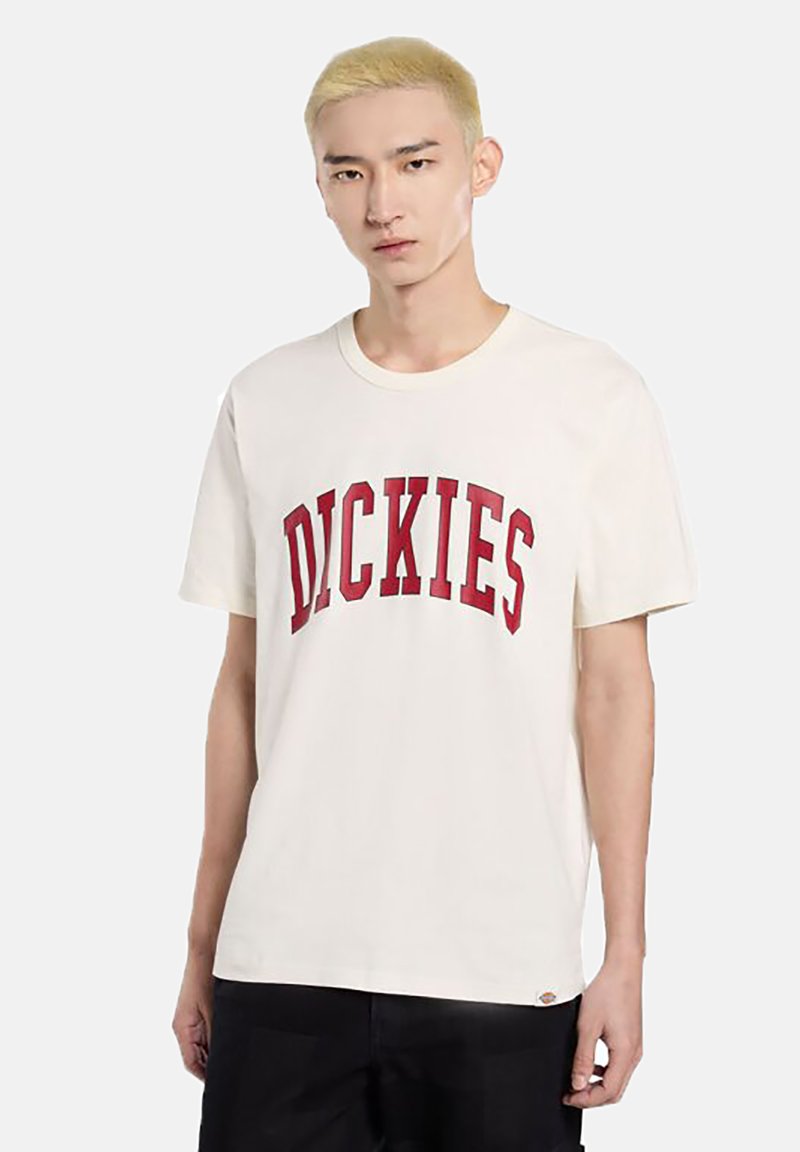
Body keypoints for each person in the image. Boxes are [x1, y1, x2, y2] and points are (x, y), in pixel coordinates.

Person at [172, 34, 698, 1152]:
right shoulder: (267, 399)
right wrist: (202, 943)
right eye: (348, 172)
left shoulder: (589, 396)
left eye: (414, 163)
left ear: (480, 166)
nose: (383, 203)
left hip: (501, 970)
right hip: (282, 961)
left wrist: (625, 952)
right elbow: (240, 688)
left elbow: (615, 689)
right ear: (319, 187)